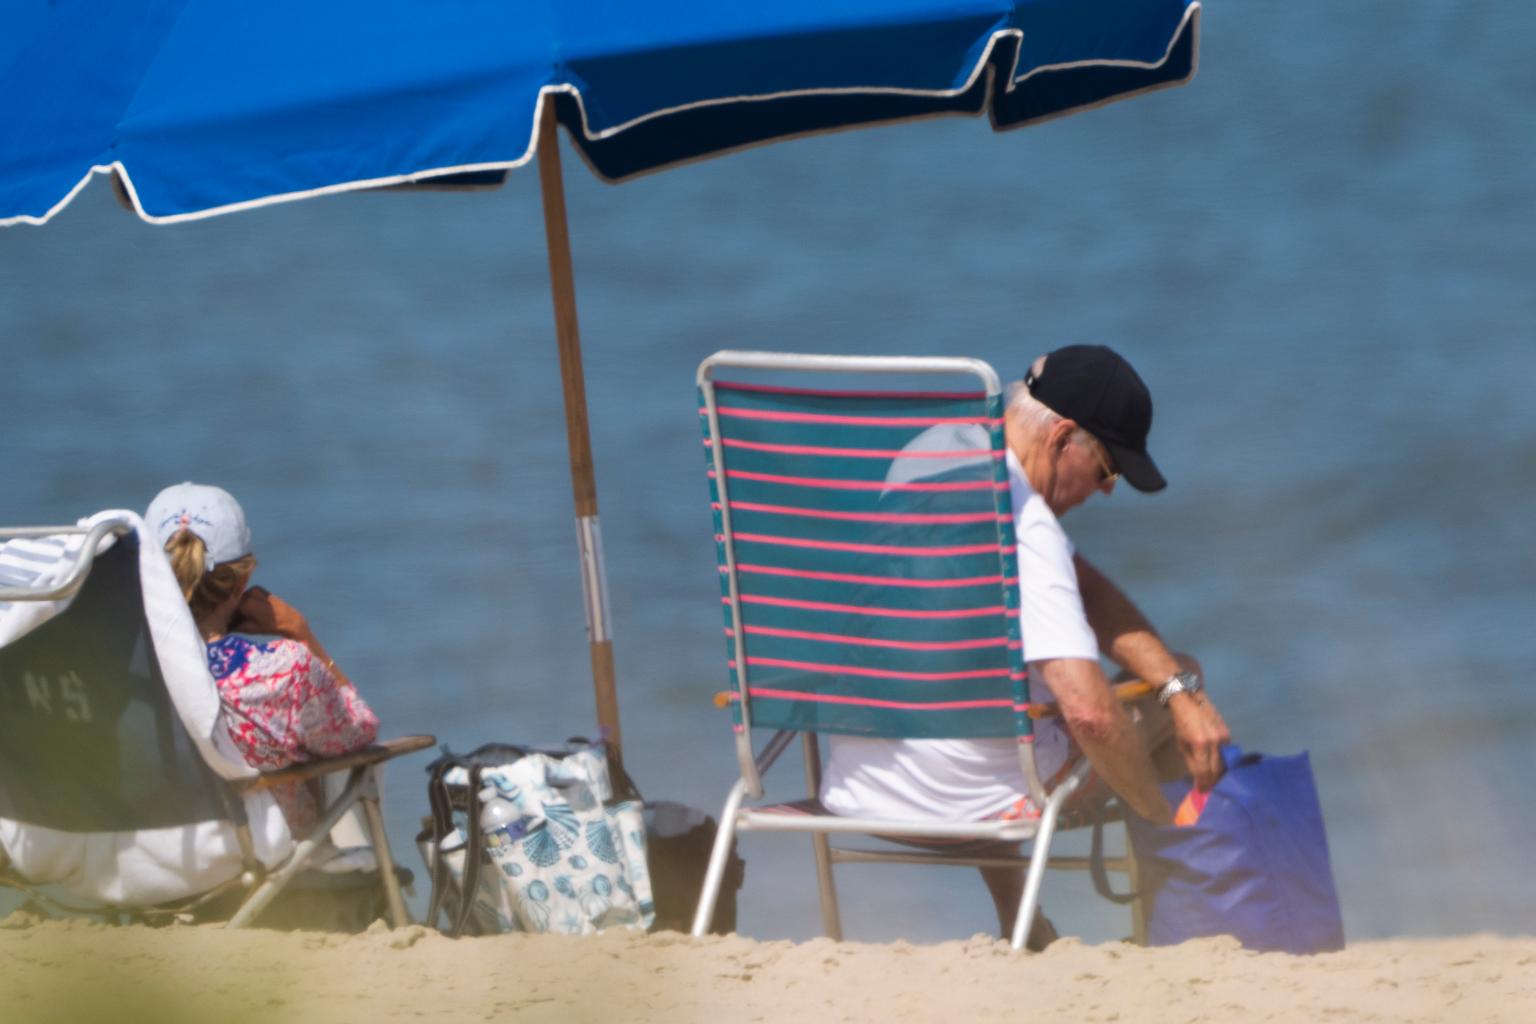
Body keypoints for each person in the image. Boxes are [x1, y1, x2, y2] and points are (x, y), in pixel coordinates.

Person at [819, 344, 1232, 943]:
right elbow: (1090, 716)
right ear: (1063, 437)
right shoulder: (1025, 526)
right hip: (977, 802)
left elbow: (1081, 584)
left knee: (990, 694)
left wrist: (1172, 681)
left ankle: (1022, 923)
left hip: (858, 783)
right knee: (1169, 690)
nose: (1108, 490)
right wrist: (1156, 801)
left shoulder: (928, 454)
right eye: (1108, 469)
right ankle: (1182, 921)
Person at [146, 482, 380, 837]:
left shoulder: (126, 669)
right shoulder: (282, 670)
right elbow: (359, 731)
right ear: (243, 579)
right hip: (268, 868)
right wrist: (303, 634)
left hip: (146, 863)